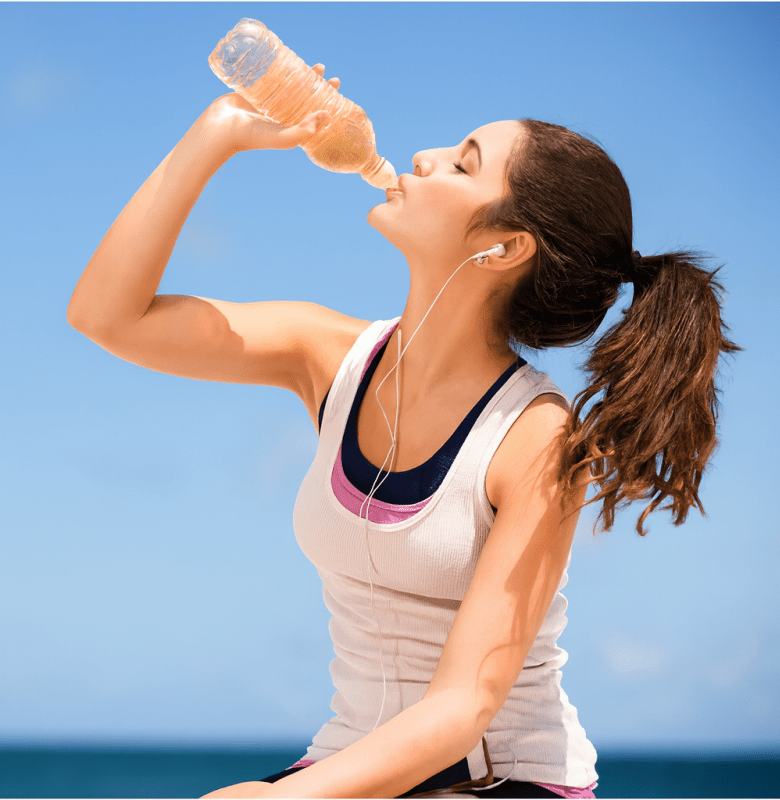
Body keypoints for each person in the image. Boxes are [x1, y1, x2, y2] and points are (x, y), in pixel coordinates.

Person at [68, 64, 738, 799]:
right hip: (349, 761)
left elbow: (461, 709)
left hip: (500, 776)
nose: (424, 156)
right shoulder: (324, 356)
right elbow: (108, 316)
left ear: (505, 247)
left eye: (463, 162)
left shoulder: (534, 438)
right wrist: (214, 135)